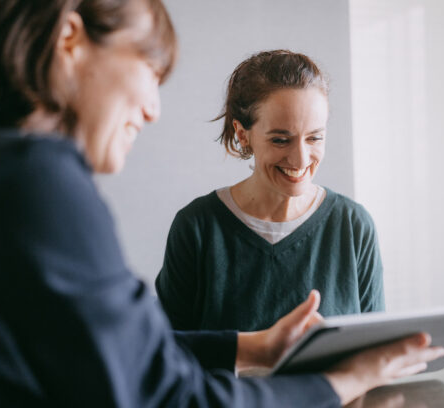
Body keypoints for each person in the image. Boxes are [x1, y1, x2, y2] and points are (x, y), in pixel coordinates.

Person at [0, 0, 444, 406]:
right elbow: (160, 395)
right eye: (150, 72)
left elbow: (122, 352)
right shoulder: (30, 178)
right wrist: (341, 382)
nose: (153, 109)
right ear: (70, 41)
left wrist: (253, 347)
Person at [156, 50, 385, 332]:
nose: (301, 160)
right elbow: (166, 354)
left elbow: (374, 351)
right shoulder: (198, 227)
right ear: (243, 135)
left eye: (315, 138)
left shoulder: (353, 225)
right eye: (280, 140)